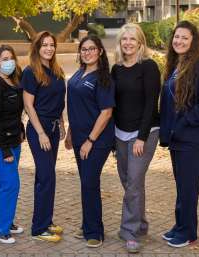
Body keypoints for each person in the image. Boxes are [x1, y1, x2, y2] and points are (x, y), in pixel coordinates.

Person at [159, 20, 199, 248]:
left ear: (193, 42)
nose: (179, 41)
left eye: (184, 38)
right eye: (177, 37)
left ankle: (189, 232)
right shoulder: (175, 65)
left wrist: (182, 124)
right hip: (177, 140)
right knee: (182, 186)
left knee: (188, 187)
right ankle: (180, 226)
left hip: (191, 140)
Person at [111, 23, 161, 253]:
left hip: (145, 133)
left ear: (141, 43)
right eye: (124, 39)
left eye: (133, 39)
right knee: (129, 180)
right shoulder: (117, 69)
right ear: (120, 43)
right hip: (120, 133)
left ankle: (129, 231)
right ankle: (140, 223)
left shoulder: (149, 67)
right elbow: (114, 104)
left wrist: (141, 137)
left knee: (133, 182)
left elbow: (151, 103)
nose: (128, 43)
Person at [65, 35, 115, 248]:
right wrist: (69, 132)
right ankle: (88, 226)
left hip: (97, 140)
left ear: (100, 51)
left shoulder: (103, 78)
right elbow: (75, 106)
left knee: (89, 183)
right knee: (86, 183)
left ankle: (95, 232)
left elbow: (106, 113)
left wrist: (90, 140)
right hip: (78, 137)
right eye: (84, 49)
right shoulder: (78, 74)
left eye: (92, 49)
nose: (87, 52)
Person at [21, 31, 66, 242]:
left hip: (54, 127)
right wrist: (40, 133)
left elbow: (59, 100)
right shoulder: (31, 72)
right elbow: (28, 105)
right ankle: (39, 228)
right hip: (40, 129)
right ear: (37, 47)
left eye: (52, 44)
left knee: (49, 177)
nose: (49, 48)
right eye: (44, 45)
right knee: (45, 177)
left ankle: (46, 220)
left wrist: (62, 124)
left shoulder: (56, 70)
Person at [0, 45, 25, 244]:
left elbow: (16, 112)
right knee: (11, 184)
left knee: (3, 183)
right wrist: (5, 149)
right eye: (4, 59)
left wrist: (21, 130)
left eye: (11, 58)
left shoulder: (14, 81)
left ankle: (6, 222)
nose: (9, 62)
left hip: (14, 140)